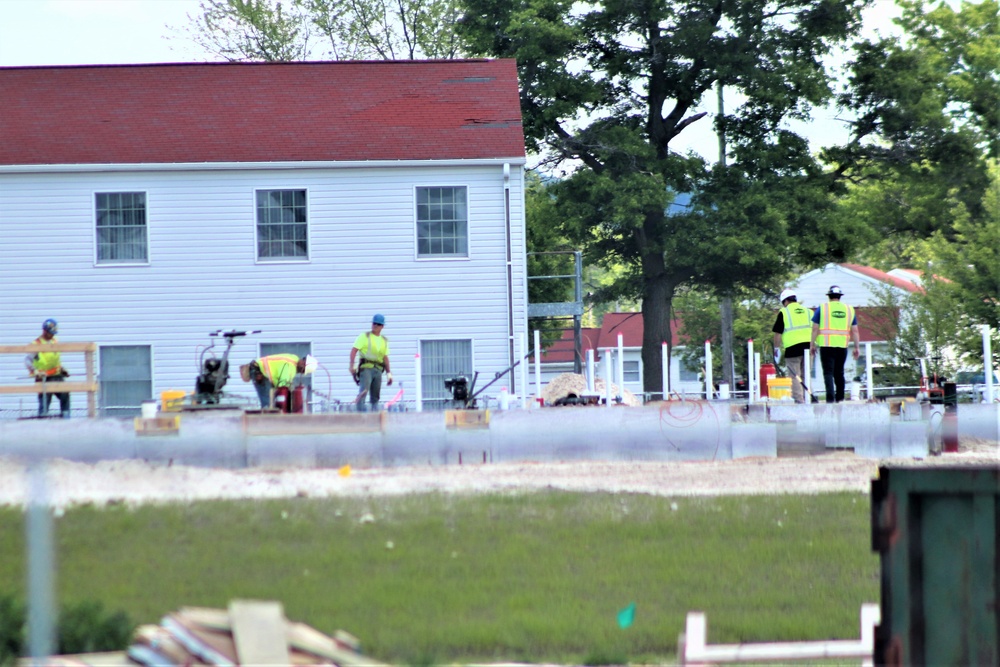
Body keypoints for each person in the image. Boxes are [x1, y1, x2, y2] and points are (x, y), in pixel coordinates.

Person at [811, 285, 861, 403]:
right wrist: (856, 347)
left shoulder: (822, 308)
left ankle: (830, 399)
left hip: (826, 345)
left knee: (828, 372)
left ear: (829, 296)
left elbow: (815, 328)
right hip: (842, 346)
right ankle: (840, 399)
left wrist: (812, 344)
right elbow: (855, 331)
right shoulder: (849, 309)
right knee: (839, 373)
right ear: (840, 297)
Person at [772, 289, 813, 404]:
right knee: (806, 374)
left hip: (792, 349)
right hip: (809, 347)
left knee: (795, 375)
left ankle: (799, 400)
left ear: (785, 301)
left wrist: (776, 348)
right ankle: (809, 398)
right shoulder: (809, 312)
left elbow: (777, 334)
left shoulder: (784, 313)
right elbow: (816, 330)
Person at [26, 318, 71, 418]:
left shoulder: (55, 341)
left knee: (65, 395)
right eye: (51, 333)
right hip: (43, 378)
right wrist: (35, 371)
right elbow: (28, 361)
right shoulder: (36, 344)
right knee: (45, 402)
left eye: (53, 333)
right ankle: (42, 423)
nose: (52, 335)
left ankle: (66, 418)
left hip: (57, 375)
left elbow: (55, 360)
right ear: (45, 331)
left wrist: (62, 369)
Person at [350, 314, 392, 412]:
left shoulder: (384, 341)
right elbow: (354, 351)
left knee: (375, 396)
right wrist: (352, 365)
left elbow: (385, 357)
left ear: (382, 326)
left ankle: (374, 416)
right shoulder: (364, 336)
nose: (375, 326)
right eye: (374, 324)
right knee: (363, 392)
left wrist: (389, 373)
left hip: (378, 369)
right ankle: (360, 415)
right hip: (366, 368)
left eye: (378, 324)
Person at [246, 353, 317, 410]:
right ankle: (266, 422)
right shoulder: (290, 367)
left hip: (260, 369)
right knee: (267, 403)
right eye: (303, 367)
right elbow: (282, 385)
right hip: (259, 370)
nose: (301, 368)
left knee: (272, 402)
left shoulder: (294, 358)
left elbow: (279, 380)